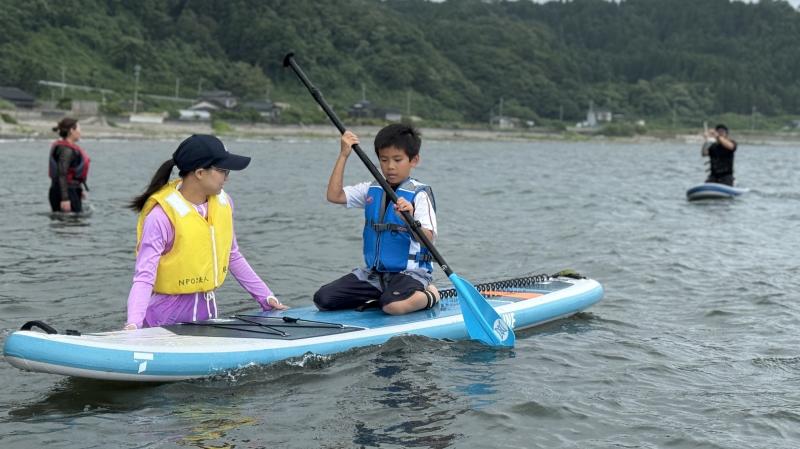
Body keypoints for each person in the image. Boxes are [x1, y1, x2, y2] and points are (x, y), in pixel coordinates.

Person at [124, 134, 287, 330]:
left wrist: (265, 297)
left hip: (207, 314)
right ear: (200, 173)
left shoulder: (224, 203)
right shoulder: (160, 217)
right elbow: (144, 276)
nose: (227, 177)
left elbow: (232, 255)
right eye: (223, 170)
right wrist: (133, 324)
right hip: (164, 320)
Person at [313, 124, 440, 315]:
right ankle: (382, 295)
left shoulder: (420, 195)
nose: (390, 167)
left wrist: (409, 220)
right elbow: (334, 195)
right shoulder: (371, 189)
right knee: (323, 299)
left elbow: (428, 239)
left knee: (392, 306)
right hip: (374, 275)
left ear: (414, 160)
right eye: (384, 159)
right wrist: (344, 155)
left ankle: (431, 294)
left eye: (397, 160)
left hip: (411, 274)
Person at [49, 118, 90, 213]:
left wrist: (79, 189)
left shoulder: (68, 148)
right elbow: (62, 173)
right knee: (71, 221)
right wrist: (65, 198)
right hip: (66, 191)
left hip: (68, 189)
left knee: (70, 220)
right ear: (72, 130)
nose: (81, 132)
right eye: (79, 129)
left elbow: (71, 172)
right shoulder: (66, 150)